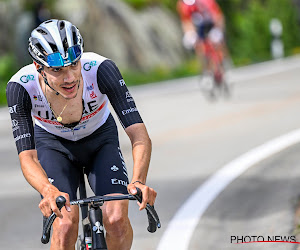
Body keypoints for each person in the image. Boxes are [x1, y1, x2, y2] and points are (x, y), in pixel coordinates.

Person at [6, 19, 157, 250]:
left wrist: (138, 181)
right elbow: (27, 157)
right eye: (57, 70)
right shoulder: (21, 87)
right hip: (53, 145)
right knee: (65, 226)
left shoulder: (100, 69)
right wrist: (48, 191)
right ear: (39, 67)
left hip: (100, 140)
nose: (69, 78)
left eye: (73, 65)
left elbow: (139, 135)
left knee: (116, 220)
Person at [177, 0, 228, 84]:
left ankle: (223, 65)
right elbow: (186, 22)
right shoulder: (184, 5)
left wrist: (219, 30)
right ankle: (206, 71)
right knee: (199, 46)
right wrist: (189, 34)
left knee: (217, 43)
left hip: (211, 24)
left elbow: (217, 15)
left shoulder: (207, 1)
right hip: (198, 28)